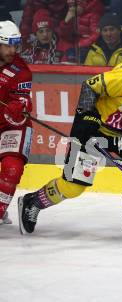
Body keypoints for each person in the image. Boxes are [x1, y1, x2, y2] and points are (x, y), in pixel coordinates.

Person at [17, 47, 122, 234]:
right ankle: (32, 202)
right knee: (74, 186)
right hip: (96, 128)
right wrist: (86, 118)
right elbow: (89, 86)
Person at [0, 21, 33, 225]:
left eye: (15, 45)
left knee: (12, 167)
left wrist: (15, 109)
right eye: (7, 45)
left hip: (12, 126)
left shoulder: (21, 71)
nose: (12, 50)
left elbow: (21, 110)